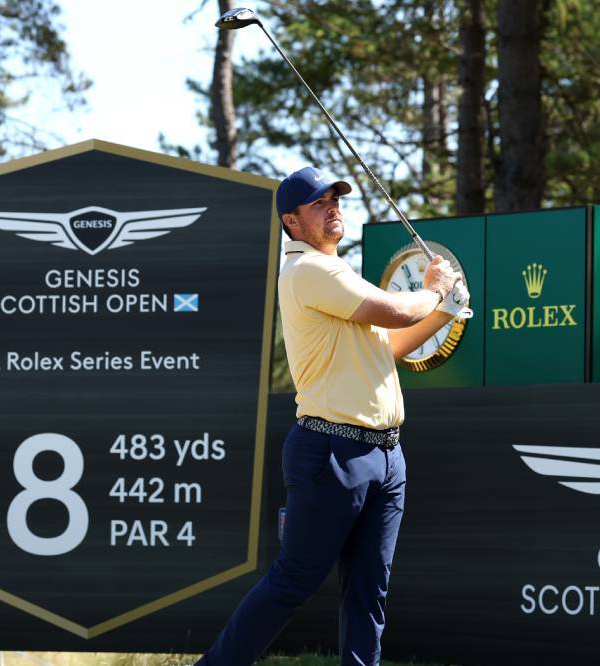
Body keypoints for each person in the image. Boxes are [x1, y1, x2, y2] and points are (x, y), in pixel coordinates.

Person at [197, 167, 468, 666]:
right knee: (293, 582)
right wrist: (434, 291)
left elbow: (390, 346)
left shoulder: (338, 273)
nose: (333, 209)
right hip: (333, 453)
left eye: (335, 200)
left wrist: (444, 312)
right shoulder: (307, 271)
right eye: (319, 204)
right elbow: (396, 311)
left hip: (386, 455)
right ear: (292, 222)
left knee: (369, 590)